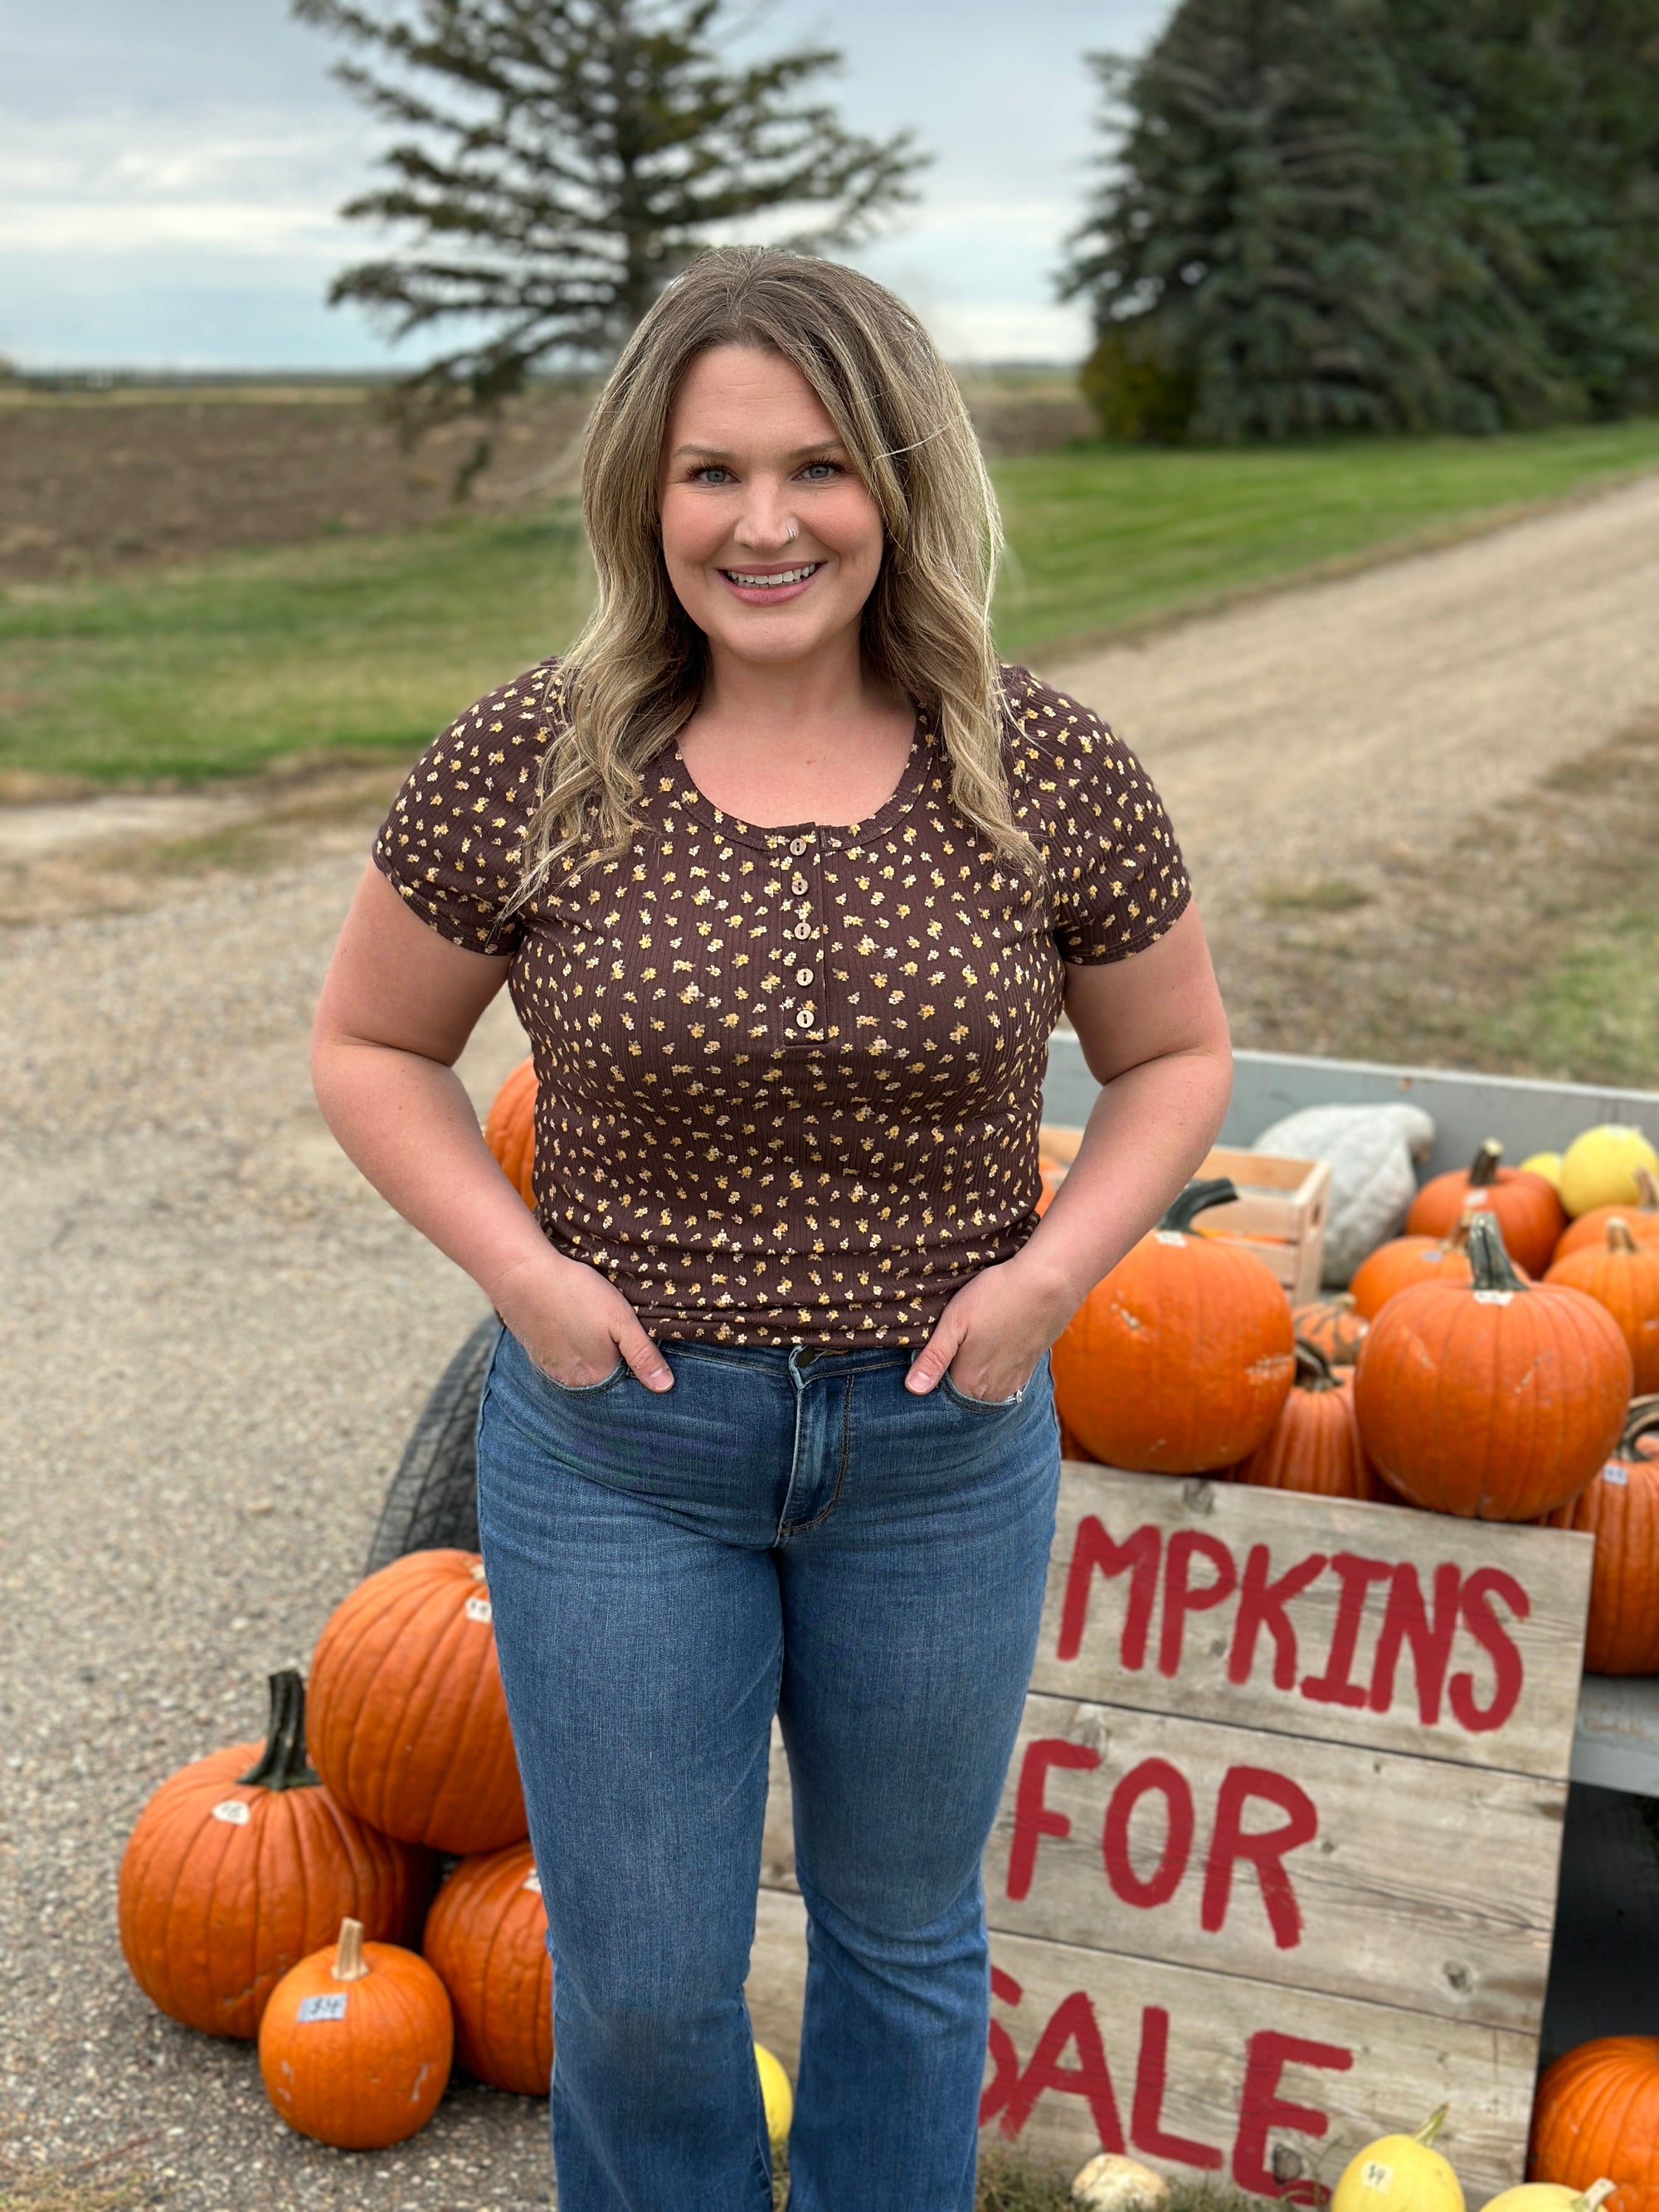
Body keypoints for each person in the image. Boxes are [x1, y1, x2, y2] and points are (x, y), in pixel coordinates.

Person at [310, 247, 1231, 2212]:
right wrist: (528, 1278)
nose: (763, 520)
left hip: (938, 1450)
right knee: (640, 1984)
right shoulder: (533, 761)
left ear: (898, 482)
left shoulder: (1039, 764)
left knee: (903, 1949)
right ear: (644, 492)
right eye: (710, 470)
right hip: (622, 1450)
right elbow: (374, 1040)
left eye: (815, 466)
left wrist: (1049, 1283)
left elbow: (1174, 1058)